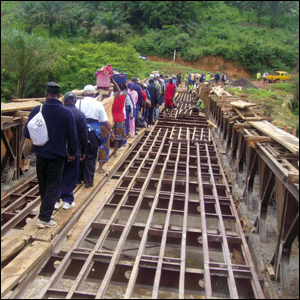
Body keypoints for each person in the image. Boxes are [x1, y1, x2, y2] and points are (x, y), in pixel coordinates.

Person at [23, 82, 77, 228]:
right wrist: (72, 152)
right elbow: (72, 136)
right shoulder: (66, 113)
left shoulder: (36, 110)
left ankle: (45, 212)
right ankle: (44, 218)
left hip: (40, 154)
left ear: (46, 94)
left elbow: (26, 133)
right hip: (57, 155)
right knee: (53, 185)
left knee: (43, 185)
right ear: (60, 96)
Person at [76, 79, 119, 188]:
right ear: (93, 93)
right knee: (91, 157)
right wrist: (111, 132)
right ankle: (88, 181)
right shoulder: (98, 104)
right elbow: (104, 121)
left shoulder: (78, 102)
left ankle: (79, 179)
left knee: (81, 155)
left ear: (85, 93)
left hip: (80, 131)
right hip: (93, 133)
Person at [54, 92, 88, 210]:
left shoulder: (59, 113)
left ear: (64, 101)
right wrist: (84, 150)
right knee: (71, 174)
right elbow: (84, 134)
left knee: (59, 174)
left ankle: (56, 200)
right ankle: (67, 200)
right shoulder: (80, 114)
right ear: (75, 101)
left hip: (60, 148)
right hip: (75, 148)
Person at [112, 84, 127, 157]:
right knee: (118, 137)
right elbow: (126, 91)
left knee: (110, 135)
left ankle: (108, 152)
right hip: (120, 118)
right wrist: (124, 84)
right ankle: (115, 152)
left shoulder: (111, 99)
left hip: (111, 118)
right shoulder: (122, 97)